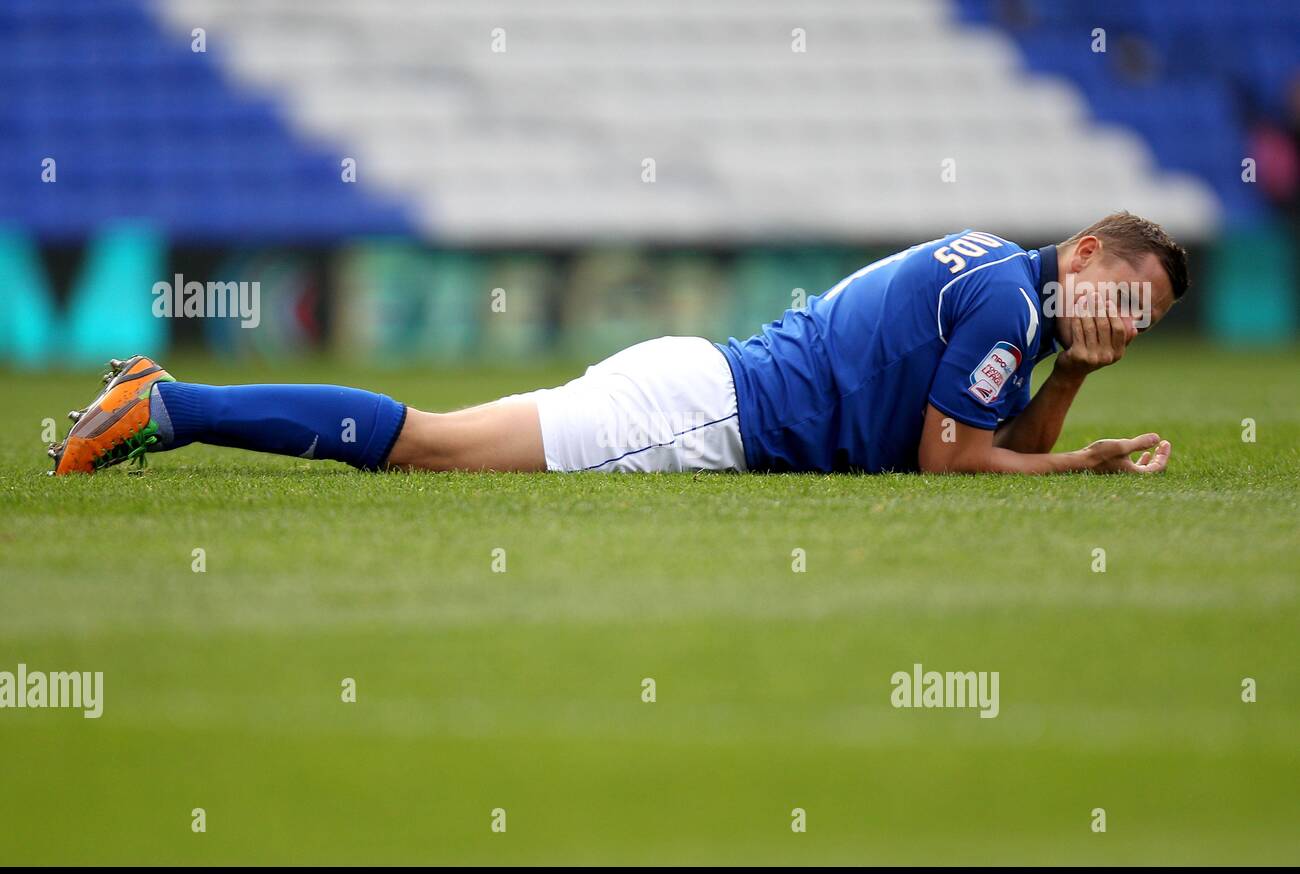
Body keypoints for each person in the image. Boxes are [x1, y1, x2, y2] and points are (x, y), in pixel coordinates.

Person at [48, 212, 1184, 478]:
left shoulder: (998, 271)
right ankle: (172, 402)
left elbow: (977, 435)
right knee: (431, 447)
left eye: (1145, 322)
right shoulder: (1003, 308)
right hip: (706, 410)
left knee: (435, 445)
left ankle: (173, 400)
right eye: (1124, 297)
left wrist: (1074, 374)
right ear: (1084, 252)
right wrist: (1076, 461)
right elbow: (954, 468)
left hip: (704, 380)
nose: (1126, 325)